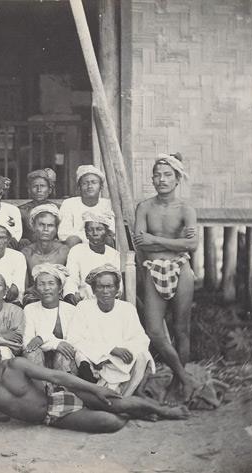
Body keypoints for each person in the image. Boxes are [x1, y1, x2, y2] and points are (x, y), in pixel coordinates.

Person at [0, 341, 189, 434]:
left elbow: (57, 376)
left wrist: (96, 389)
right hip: (50, 417)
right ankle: (134, 414)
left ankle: (165, 411)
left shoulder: (15, 365)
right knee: (111, 423)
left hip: (59, 393)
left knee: (116, 402)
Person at [133, 153, 200, 403]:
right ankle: (185, 377)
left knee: (181, 329)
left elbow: (192, 244)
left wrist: (157, 240)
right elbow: (141, 243)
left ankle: (176, 385)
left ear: (177, 178)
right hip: (153, 269)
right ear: (152, 179)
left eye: (167, 175)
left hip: (180, 268)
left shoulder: (185, 209)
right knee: (154, 330)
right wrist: (173, 244)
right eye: (157, 175)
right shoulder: (145, 207)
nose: (162, 179)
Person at [67, 264, 153, 396]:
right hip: (95, 360)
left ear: (117, 289)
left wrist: (115, 356)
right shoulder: (83, 307)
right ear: (94, 290)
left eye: (110, 286)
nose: (105, 291)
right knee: (81, 357)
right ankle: (98, 392)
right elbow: (74, 339)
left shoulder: (127, 308)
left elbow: (140, 339)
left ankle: (127, 394)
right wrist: (109, 351)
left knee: (143, 355)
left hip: (122, 363)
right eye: (100, 287)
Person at [23, 264, 77, 373]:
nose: (46, 288)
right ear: (36, 289)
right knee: (32, 353)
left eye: (51, 283)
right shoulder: (29, 309)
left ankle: (63, 389)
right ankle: (43, 388)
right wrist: (55, 343)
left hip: (65, 363)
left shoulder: (72, 310)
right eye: (41, 284)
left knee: (64, 354)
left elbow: (73, 343)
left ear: (60, 288)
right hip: (40, 362)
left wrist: (41, 339)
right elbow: (27, 343)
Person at [63, 209, 121, 305]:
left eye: (99, 229)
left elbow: (118, 283)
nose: (95, 233)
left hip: (107, 300)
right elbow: (71, 278)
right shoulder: (76, 250)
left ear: (106, 232)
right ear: (86, 234)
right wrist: (71, 293)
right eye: (90, 230)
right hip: (82, 301)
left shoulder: (114, 254)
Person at [58, 165, 114, 245]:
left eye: (94, 182)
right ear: (79, 187)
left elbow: (112, 231)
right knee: (72, 240)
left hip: (102, 246)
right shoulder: (69, 204)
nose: (90, 186)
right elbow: (63, 233)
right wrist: (90, 238)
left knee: (108, 240)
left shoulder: (108, 204)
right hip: (78, 247)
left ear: (101, 187)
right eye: (85, 183)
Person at [20, 203, 70, 271]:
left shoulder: (64, 252)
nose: (45, 229)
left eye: (50, 225)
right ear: (33, 226)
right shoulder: (26, 254)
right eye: (41, 225)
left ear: (56, 228)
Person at [18, 168, 57, 244]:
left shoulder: (58, 209)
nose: (39, 189)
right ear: (29, 190)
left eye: (42, 186)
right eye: (35, 186)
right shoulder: (21, 211)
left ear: (50, 190)